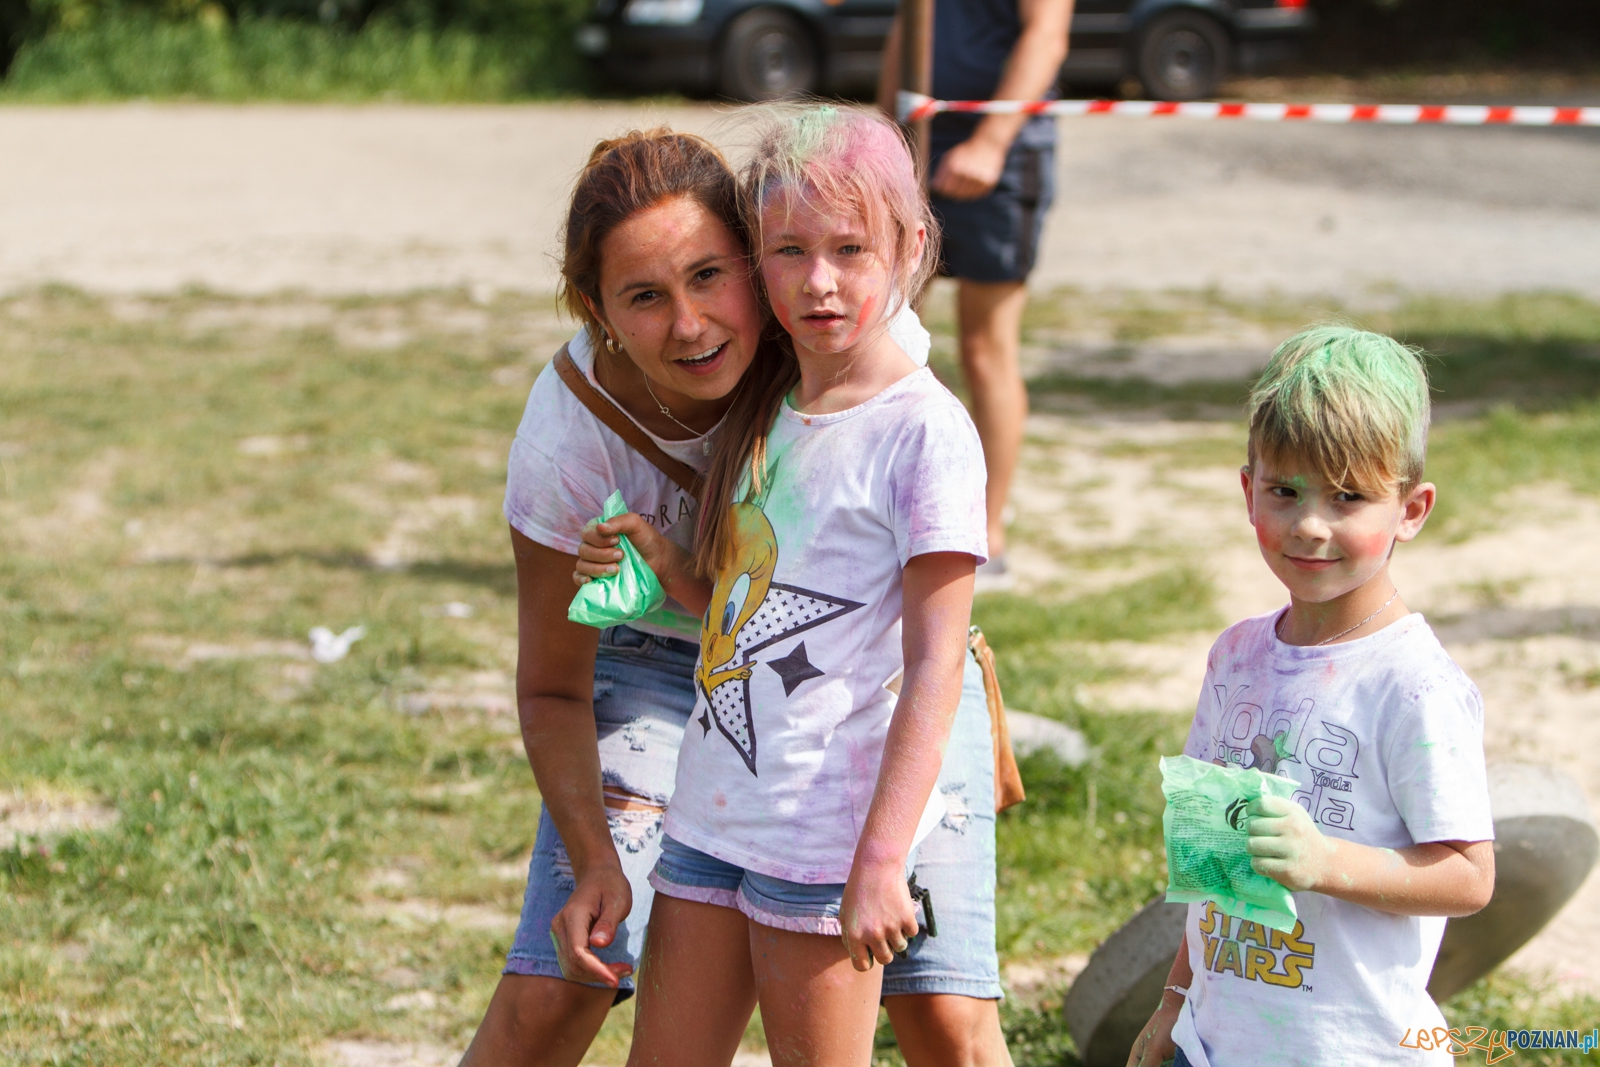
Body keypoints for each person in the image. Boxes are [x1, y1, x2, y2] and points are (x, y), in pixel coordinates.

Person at [461, 127, 1011, 1067]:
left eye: (711, 275)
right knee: (560, 984)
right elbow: (552, 685)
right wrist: (595, 856)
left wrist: (881, 853)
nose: (690, 324)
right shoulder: (566, 440)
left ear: (751, 260)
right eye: (645, 295)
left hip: (863, 695)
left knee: (946, 1015)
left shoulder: (846, 343)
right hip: (681, 685)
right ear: (598, 310)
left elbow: (925, 629)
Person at [1125, 326, 1497, 1067]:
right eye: (1284, 492)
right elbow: (1216, 865)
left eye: (1348, 497)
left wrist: (1325, 860)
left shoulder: (1414, 686)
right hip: (1212, 1043)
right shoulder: (1235, 657)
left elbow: (1469, 876)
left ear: (1411, 510)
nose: (1310, 525)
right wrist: (1174, 1002)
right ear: (1248, 491)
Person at [879, 0, 1072, 589]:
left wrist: (990, 142)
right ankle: (903, 513)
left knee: (986, 350)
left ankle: (985, 535)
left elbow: (1047, 36)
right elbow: (906, 29)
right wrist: (884, 139)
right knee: (889, 340)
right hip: (920, 136)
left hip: (1003, 150)